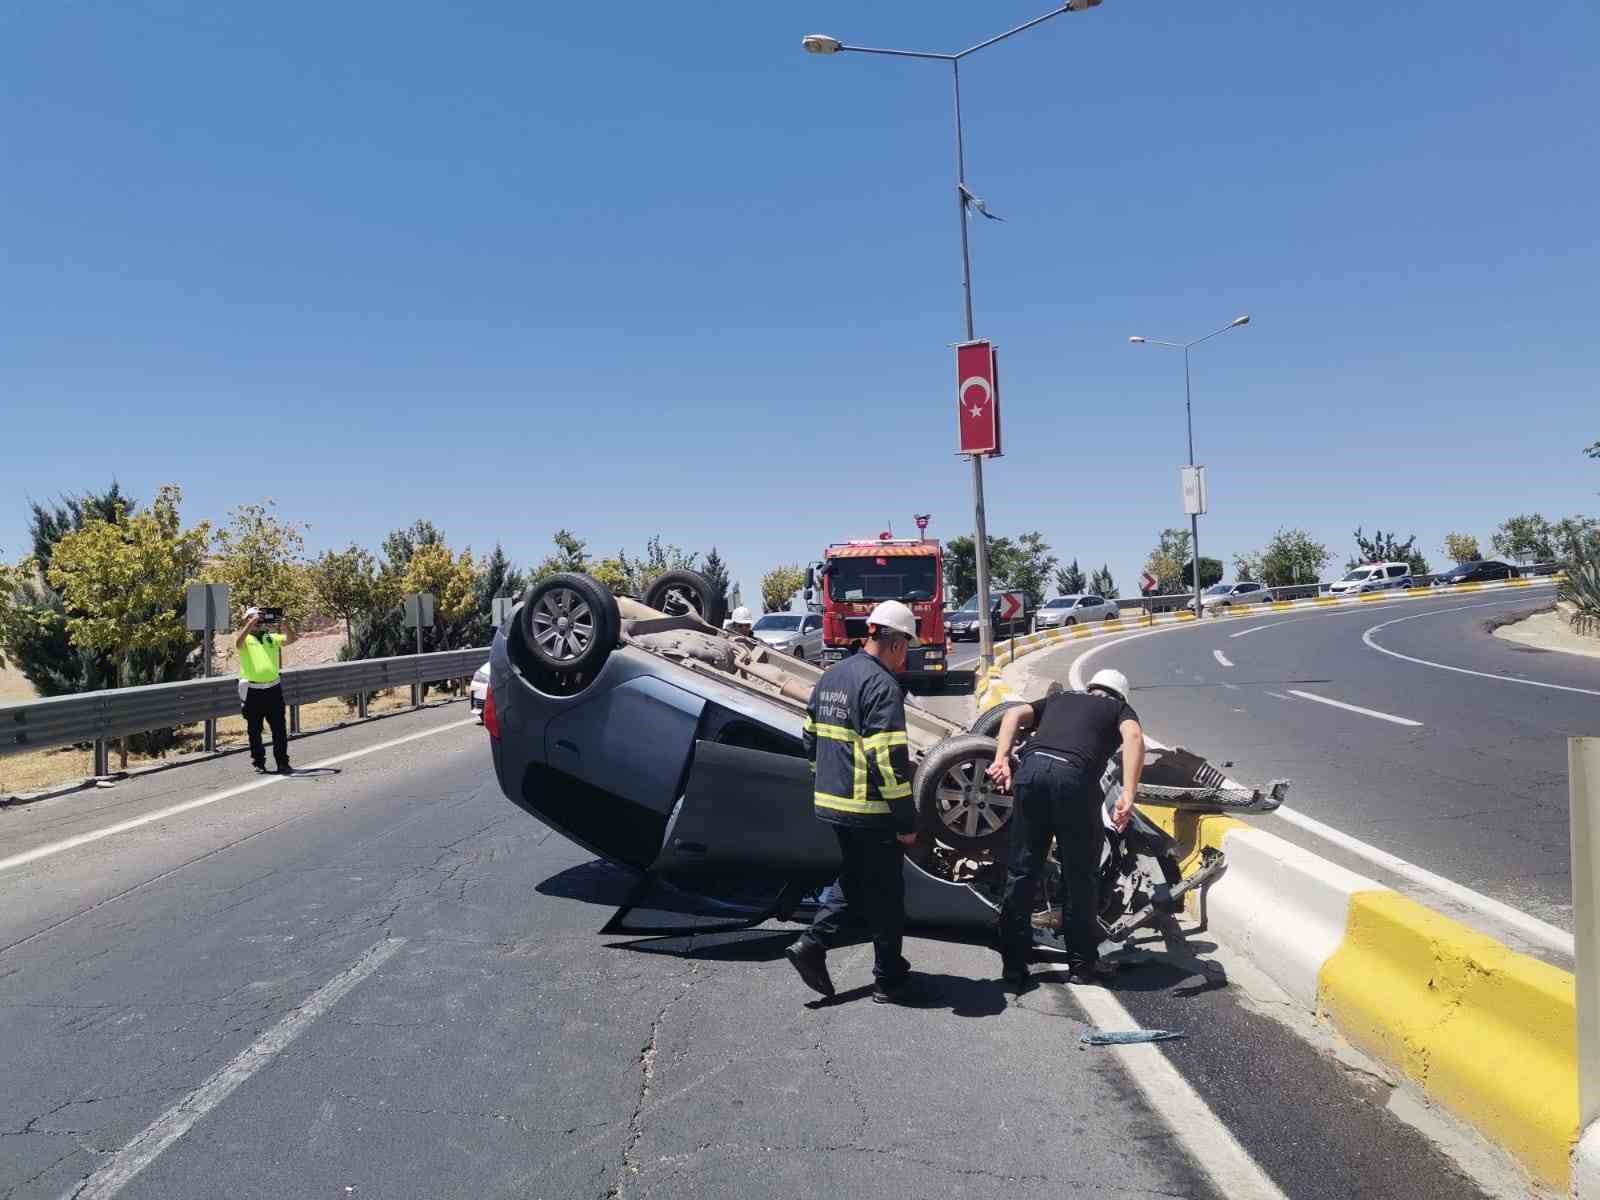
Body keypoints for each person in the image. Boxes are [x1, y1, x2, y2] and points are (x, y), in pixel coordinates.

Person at [785, 600, 920, 1004]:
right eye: (907, 647)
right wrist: (905, 818)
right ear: (895, 643)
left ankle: (881, 966)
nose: (905, 657)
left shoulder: (831, 676)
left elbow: (809, 736)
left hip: (833, 803)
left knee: (858, 880)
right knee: (886, 893)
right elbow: (889, 760)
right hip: (869, 809)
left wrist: (825, 779)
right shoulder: (881, 686)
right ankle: (882, 978)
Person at [987, 668, 1144, 990]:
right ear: (1120, 696)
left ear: (1091, 688)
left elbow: (1013, 713)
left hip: (1030, 774)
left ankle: (1014, 968)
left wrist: (1002, 757)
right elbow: (1134, 737)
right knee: (1080, 876)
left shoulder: (1060, 699)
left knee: (1021, 871)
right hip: (1073, 781)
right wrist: (1129, 792)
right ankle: (1082, 965)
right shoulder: (1118, 709)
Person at [235, 606, 298, 775]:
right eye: (252, 617)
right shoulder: (245, 639)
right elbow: (237, 643)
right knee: (254, 730)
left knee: (279, 729)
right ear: (246, 620)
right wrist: (251, 624)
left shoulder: (270, 637)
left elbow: (291, 639)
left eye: (259, 617)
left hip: (273, 689)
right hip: (253, 691)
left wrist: (285, 624)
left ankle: (282, 763)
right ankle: (259, 762)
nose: (257, 621)